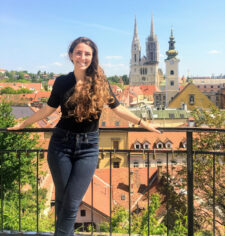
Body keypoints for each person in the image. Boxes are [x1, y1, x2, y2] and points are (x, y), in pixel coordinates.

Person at [9, 37, 161, 235]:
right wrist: (23, 124)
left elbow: (118, 108)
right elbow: (48, 110)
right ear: (71, 55)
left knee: (71, 203)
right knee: (63, 201)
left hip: (88, 147)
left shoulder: (99, 82)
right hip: (61, 144)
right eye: (79, 53)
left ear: (93, 57)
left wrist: (144, 123)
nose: (83, 57)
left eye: (87, 53)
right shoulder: (62, 82)